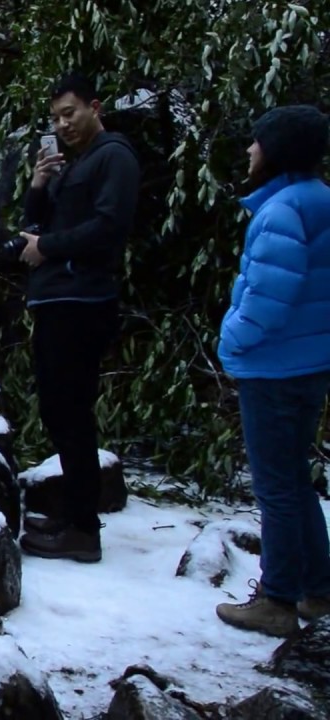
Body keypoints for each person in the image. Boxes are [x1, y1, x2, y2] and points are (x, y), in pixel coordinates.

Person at [214, 106, 330, 637]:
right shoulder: (319, 199)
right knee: (295, 480)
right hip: (311, 362)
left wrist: (231, 340)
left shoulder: (281, 210)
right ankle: (318, 588)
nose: (249, 150)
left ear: (277, 150)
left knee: (276, 487)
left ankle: (277, 599)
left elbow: (267, 297)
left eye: (257, 141)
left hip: (274, 367)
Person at [16, 73, 140, 562]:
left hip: (82, 301)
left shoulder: (114, 156)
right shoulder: (75, 163)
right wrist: (39, 184)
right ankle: (72, 514)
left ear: (95, 107)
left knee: (71, 411)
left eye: (69, 113)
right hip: (56, 299)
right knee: (57, 409)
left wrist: (47, 247)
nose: (62, 124)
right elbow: (35, 223)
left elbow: (110, 227)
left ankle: (83, 531)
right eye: (55, 118)